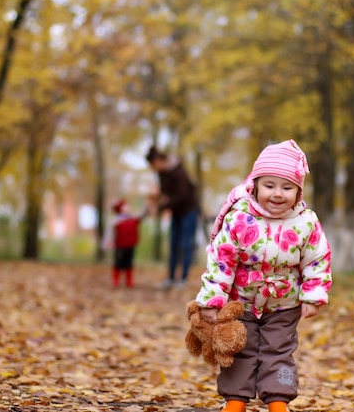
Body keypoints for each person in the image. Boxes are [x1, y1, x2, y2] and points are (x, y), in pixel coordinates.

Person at [194, 139, 332, 412]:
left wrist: (313, 295)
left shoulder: (306, 222)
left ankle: (278, 401)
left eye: (287, 187)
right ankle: (235, 400)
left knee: (278, 352)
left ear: (298, 191)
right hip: (242, 300)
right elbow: (221, 260)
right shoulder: (240, 217)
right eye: (270, 186)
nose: (278, 194)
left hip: (284, 304)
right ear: (255, 186)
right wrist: (213, 298)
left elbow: (317, 259)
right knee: (240, 349)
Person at [146, 145, 201, 290]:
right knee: (173, 244)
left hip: (189, 210)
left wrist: (160, 208)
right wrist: (155, 199)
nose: (154, 169)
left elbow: (180, 196)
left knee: (185, 245)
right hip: (176, 212)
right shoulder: (162, 173)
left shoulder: (179, 172)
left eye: (153, 165)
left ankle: (182, 279)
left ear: (158, 160)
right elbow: (166, 193)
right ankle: (170, 278)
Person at [103, 198, 146, 288]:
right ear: (121, 209)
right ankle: (116, 280)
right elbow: (110, 232)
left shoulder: (132, 218)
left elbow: (142, 216)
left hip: (130, 245)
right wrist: (109, 242)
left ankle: (129, 280)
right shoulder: (116, 221)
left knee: (129, 263)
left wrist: (145, 206)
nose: (128, 207)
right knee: (118, 262)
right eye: (126, 206)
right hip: (120, 245)